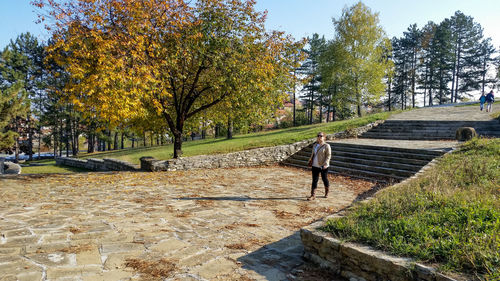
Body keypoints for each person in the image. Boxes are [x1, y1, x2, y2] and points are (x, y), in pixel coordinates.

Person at [307, 132, 331, 201]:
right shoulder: (315, 145)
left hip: (323, 165)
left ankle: (327, 192)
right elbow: (313, 154)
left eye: (321, 136)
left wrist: (326, 164)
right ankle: (313, 195)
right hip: (315, 165)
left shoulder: (326, 146)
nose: (319, 137)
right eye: (318, 136)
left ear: (324, 137)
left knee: (324, 179)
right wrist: (310, 161)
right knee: (314, 180)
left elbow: (328, 156)